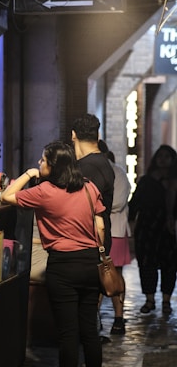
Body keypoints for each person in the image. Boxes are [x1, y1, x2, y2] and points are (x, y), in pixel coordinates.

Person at [0, 140, 105, 367]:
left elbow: (6, 196)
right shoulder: (89, 187)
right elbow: (101, 227)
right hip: (89, 263)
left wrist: (29, 174)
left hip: (63, 266)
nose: (39, 163)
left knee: (68, 333)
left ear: (53, 166)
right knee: (89, 329)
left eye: (43, 160)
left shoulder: (44, 192)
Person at [129, 144, 177, 314]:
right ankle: (149, 300)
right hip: (148, 227)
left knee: (169, 265)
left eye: (167, 156)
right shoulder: (147, 180)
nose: (163, 160)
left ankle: (166, 300)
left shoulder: (174, 181)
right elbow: (135, 203)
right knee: (147, 264)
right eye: (160, 156)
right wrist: (131, 223)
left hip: (168, 228)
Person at [98, 140, 131, 335]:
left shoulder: (117, 172)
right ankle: (96, 318)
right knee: (96, 274)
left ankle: (118, 317)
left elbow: (118, 202)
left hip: (116, 230)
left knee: (114, 274)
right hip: (98, 229)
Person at [71, 114, 115, 255]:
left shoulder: (87, 167)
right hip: (97, 239)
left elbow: (82, 208)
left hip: (88, 242)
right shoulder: (102, 162)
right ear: (98, 135)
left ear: (73, 135)